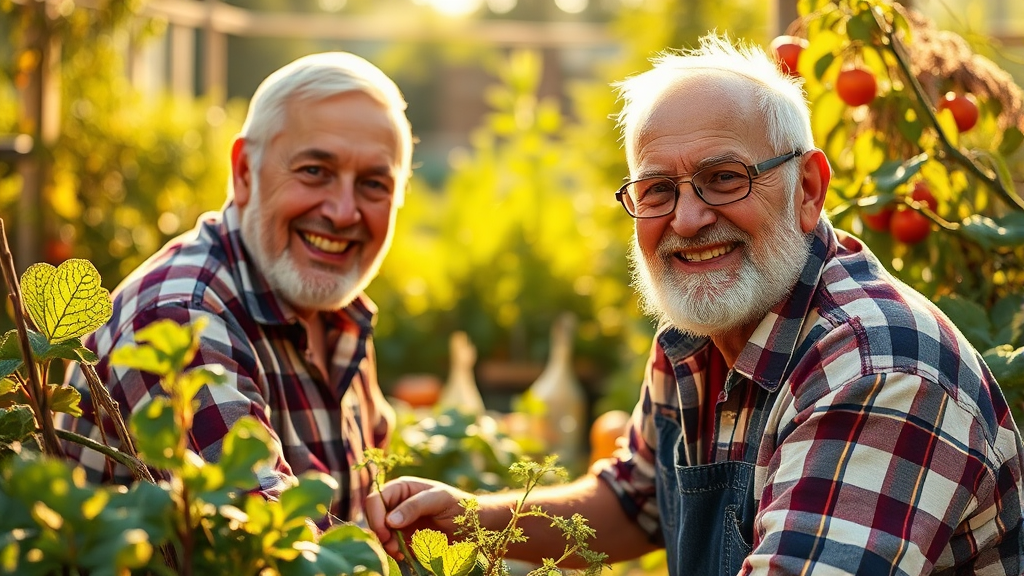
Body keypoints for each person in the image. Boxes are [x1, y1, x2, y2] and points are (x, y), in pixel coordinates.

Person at [366, 34, 1024, 575]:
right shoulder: (698, 338)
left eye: (723, 178)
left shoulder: (877, 372)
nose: (686, 218)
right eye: (657, 189)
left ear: (808, 188)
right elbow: (633, 503)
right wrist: (465, 518)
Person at [57, 51, 413, 524]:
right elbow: (273, 545)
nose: (344, 211)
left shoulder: (336, 312)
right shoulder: (180, 317)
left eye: (373, 184)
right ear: (244, 171)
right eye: (314, 171)